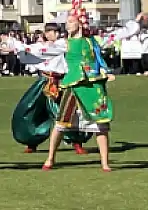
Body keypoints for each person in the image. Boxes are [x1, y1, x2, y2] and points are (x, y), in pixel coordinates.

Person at [39, 0, 143, 172]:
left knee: (101, 125)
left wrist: (136, 23)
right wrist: (17, 48)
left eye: (71, 22)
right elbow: (41, 50)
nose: (67, 25)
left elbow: (118, 35)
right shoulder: (65, 43)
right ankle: (50, 158)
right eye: (66, 23)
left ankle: (105, 163)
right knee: (61, 123)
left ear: (80, 23)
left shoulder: (93, 41)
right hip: (73, 85)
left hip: (93, 86)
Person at [7, 23, 92, 155]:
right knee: (30, 111)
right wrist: (14, 44)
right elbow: (26, 51)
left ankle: (76, 142)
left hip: (61, 82)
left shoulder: (64, 44)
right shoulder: (40, 46)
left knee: (66, 111)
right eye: (50, 32)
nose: (53, 34)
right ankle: (31, 141)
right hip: (44, 82)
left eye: (55, 31)